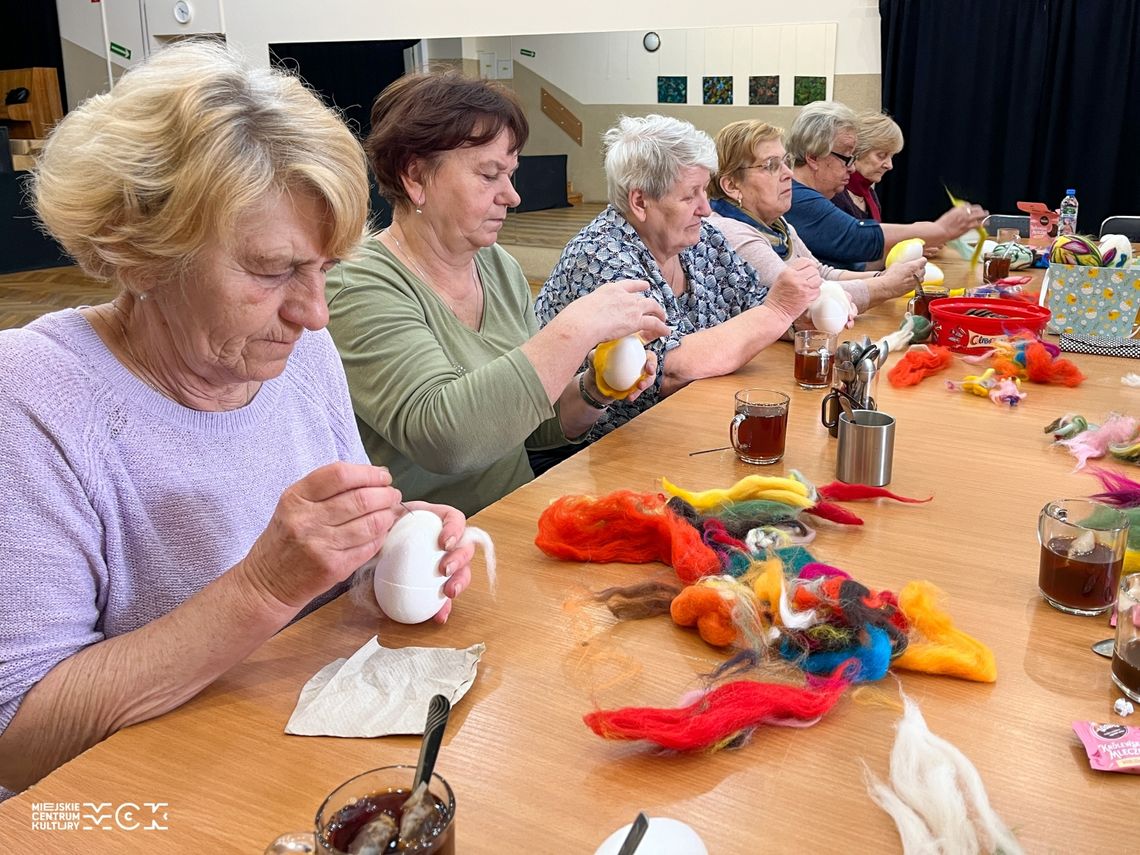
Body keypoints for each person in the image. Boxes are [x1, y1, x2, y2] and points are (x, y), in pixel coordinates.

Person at [0, 40, 478, 796]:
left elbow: (322, 579)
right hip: (150, 807)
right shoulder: (32, 398)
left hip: (297, 766)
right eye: (272, 269)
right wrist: (263, 587)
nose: (314, 313)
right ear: (139, 253)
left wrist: (384, 544)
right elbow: (18, 741)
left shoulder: (295, 351)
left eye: (325, 268)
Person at [324, 72, 668, 515]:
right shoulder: (358, 284)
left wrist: (594, 389)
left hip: (515, 518)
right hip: (436, 543)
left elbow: (531, 427)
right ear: (415, 177)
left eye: (511, 174)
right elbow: (444, 439)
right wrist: (576, 330)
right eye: (489, 175)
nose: (512, 195)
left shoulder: (497, 266)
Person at [534, 114, 821, 442]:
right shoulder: (600, 256)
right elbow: (671, 368)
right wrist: (778, 311)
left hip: (683, 424)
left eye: (704, 191)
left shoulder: (702, 238)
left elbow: (752, 303)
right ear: (640, 202)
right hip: (600, 451)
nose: (706, 209)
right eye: (690, 195)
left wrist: (802, 315)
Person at [707, 119, 926, 313]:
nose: (788, 173)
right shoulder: (730, 232)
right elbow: (804, 295)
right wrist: (887, 285)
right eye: (771, 166)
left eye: (785, 162)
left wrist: (883, 277)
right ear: (732, 185)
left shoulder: (778, 225)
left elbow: (821, 273)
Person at [783, 101, 987, 270]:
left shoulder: (807, 194)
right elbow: (856, 237)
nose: (852, 168)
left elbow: (850, 266)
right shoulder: (796, 197)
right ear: (813, 157)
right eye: (846, 157)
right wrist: (938, 229)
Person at [830, 112, 903, 223]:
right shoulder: (833, 193)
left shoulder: (870, 195)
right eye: (881, 155)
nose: (889, 165)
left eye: (891, 156)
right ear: (857, 151)